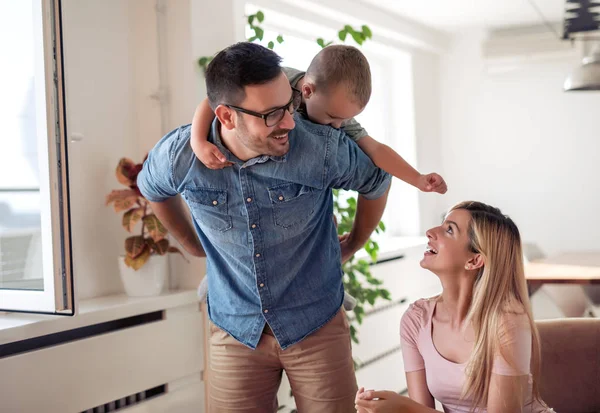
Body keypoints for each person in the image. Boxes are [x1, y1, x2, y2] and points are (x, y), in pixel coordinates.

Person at [136, 41, 391, 413]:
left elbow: (377, 182)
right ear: (225, 116)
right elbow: (151, 188)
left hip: (315, 324)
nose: (289, 121)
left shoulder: (321, 148)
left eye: (288, 105)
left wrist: (352, 243)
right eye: (272, 114)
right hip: (234, 330)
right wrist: (192, 245)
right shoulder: (181, 156)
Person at [192, 44, 447, 308]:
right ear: (306, 91)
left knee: (319, 226)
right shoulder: (282, 83)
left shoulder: (336, 117)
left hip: (305, 190)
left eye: (343, 121)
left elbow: (375, 150)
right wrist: (198, 141)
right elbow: (213, 101)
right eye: (333, 118)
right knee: (241, 227)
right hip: (252, 182)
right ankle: (217, 277)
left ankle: (329, 281)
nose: (337, 127)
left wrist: (418, 179)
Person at [355, 201, 553, 413]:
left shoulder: (506, 322)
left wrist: (404, 407)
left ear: (475, 260)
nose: (430, 232)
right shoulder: (416, 320)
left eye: (449, 230)